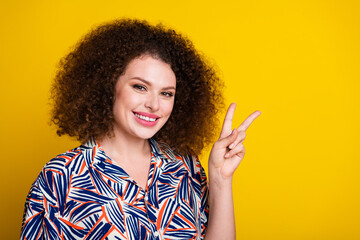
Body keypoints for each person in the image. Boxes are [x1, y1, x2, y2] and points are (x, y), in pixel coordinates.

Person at [21, 19, 261, 240]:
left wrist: (220, 180)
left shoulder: (185, 165)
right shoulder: (61, 176)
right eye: (140, 87)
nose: (154, 104)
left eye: (166, 93)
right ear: (108, 85)